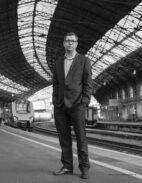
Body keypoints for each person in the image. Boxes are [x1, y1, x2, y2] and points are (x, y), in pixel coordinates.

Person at [52, 32, 92, 179]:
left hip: (77, 105)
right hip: (60, 105)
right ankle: (67, 166)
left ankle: (84, 167)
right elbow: (55, 83)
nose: (70, 43)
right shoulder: (57, 62)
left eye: (73, 41)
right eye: (67, 41)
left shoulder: (84, 60)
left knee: (81, 138)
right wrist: (56, 100)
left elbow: (88, 83)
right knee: (64, 139)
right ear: (63, 43)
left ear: (76, 44)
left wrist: (85, 101)